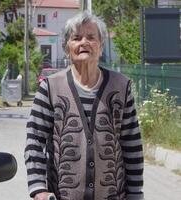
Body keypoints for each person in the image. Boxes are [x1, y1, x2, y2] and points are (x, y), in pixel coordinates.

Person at [24, 11, 144, 200]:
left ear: (101, 46)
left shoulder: (121, 86)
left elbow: (132, 144)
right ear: (67, 47)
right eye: (76, 38)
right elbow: (35, 141)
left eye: (91, 37)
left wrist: (136, 193)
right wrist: (39, 188)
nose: (84, 43)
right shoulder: (50, 87)